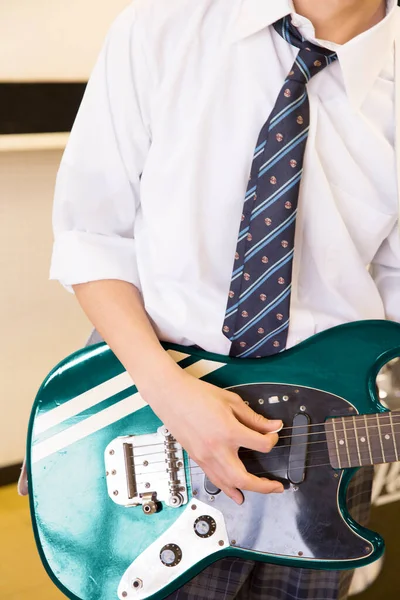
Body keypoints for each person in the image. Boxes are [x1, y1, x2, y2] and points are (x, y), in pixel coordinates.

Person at [25, 0, 400, 598]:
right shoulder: (161, 26)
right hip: (152, 405)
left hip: (333, 436)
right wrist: (171, 395)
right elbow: (92, 238)